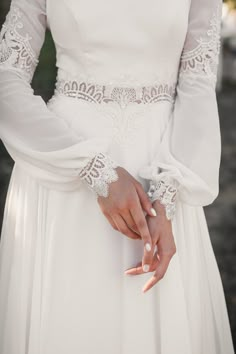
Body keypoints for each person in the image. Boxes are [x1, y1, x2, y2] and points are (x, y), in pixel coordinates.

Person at [0, 0, 234, 353]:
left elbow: (197, 85)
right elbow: (6, 79)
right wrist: (96, 171)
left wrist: (167, 196)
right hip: (65, 174)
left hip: (160, 175)